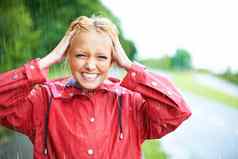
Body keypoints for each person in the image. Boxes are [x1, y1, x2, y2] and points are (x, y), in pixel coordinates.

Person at [0, 16, 192, 159]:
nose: (91, 65)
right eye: (81, 55)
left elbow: (177, 111)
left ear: (112, 60)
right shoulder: (45, 99)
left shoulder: (131, 103)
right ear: (67, 56)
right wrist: (48, 60)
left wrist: (129, 66)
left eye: (101, 57)